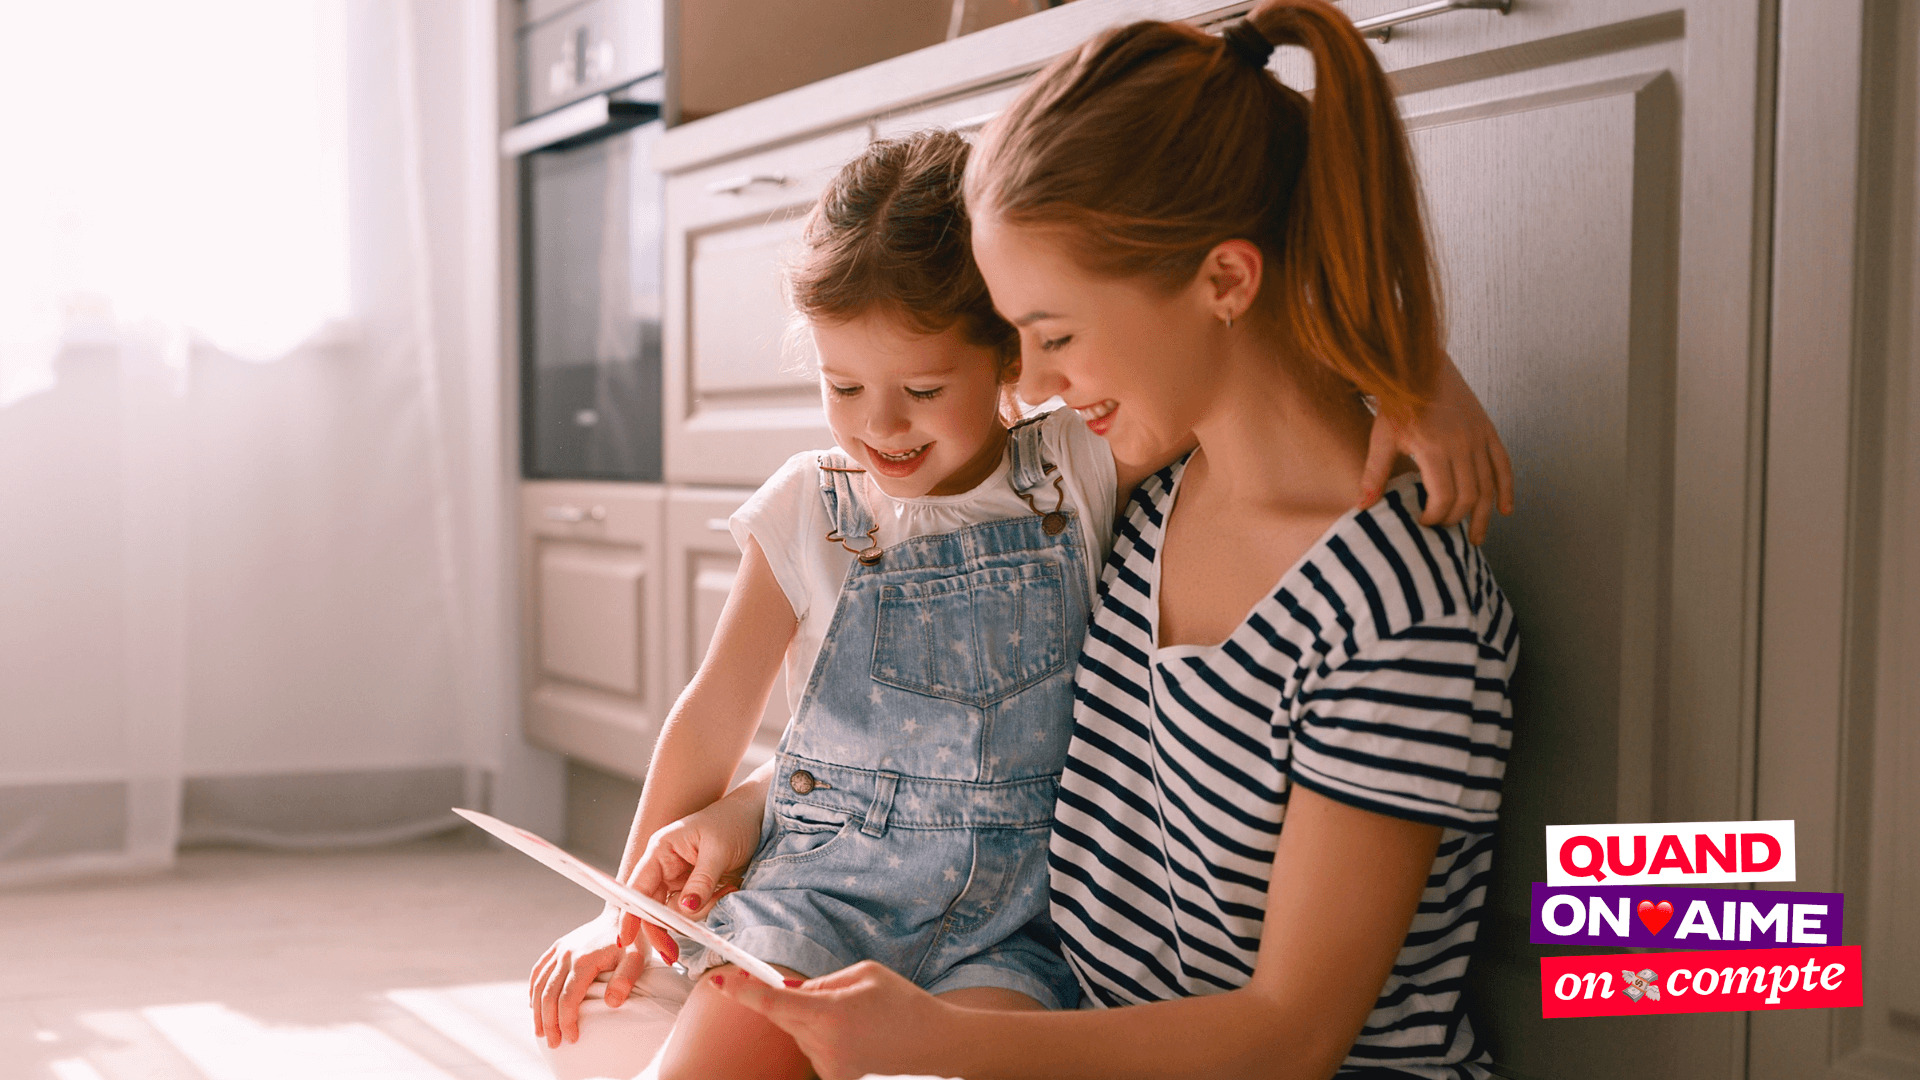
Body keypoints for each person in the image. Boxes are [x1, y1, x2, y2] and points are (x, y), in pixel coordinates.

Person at [532, 78, 1511, 1080]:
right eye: (1021, 336)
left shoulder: (1377, 604)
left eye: (1053, 336)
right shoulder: (1156, 499)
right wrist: (727, 828)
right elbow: (885, 752)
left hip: (1059, 986)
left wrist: (1414, 365)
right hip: (992, 973)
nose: (1030, 387)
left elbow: (1295, 1036)